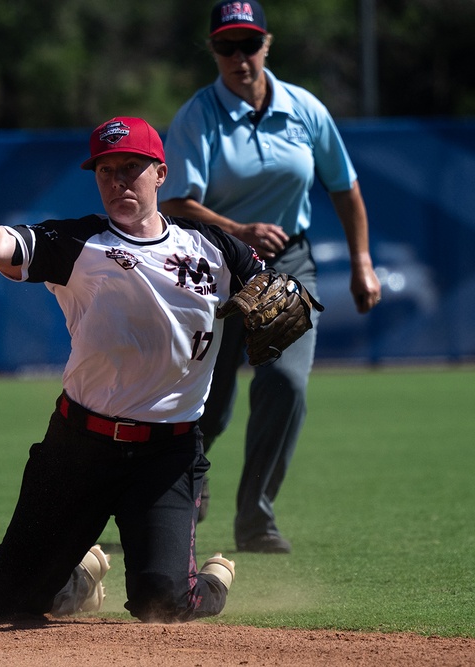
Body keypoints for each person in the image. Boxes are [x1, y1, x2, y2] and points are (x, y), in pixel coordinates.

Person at [0, 116, 271, 622]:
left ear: (159, 173)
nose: (118, 181)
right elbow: (4, 242)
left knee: (161, 601)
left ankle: (212, 578)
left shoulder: (213, 249)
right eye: (106, 171)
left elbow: (272, 287)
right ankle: (80, 581)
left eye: (131, 168)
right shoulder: (78, 245)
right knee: (5, 604)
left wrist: (278, 292)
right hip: (79, 447)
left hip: (167, 452)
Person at [159, 0, 382, 554]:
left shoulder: (304, 110)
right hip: (213, 267)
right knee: (208, 400)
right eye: (226, 46)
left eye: (249, 44)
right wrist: (238, 229)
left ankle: (256, 517)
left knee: (286, 382)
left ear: (267, 45)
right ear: (213, 50)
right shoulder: (198, 116)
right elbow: (177, 202)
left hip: (285, 268)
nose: (240, 57)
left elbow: (344, 186)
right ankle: (190, 483)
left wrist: (361, 262)